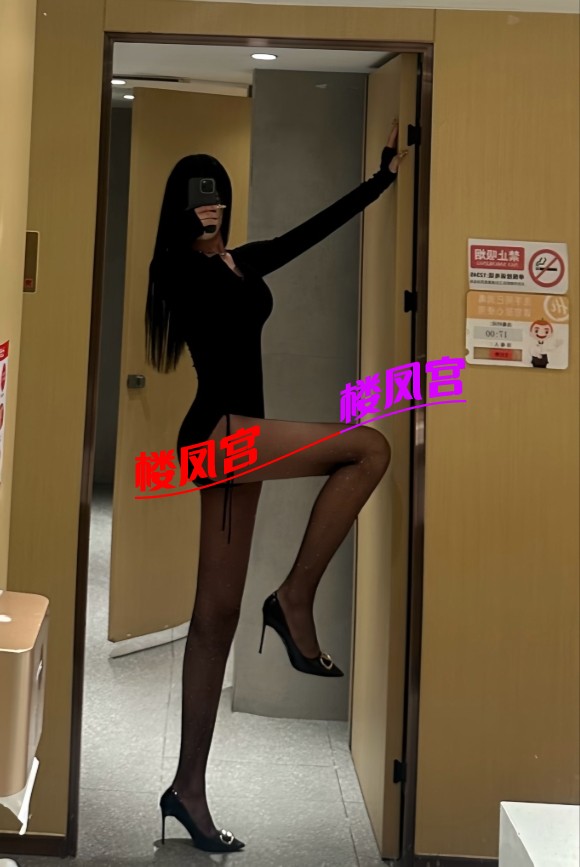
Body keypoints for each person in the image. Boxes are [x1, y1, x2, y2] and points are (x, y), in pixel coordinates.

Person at [145, 121, 407, 853]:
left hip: (238, 443)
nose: (211, 205)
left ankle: (186, 790)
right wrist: (202, 245)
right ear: (181, 206)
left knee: (215, 617)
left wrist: (382, 180)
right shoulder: (177, 269)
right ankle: (293, 598)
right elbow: (197, 283)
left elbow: (308, 233)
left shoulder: (240, 262)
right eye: (199, 196)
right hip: (220, 435)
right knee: (369, 447)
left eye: (218, 194)